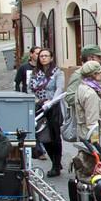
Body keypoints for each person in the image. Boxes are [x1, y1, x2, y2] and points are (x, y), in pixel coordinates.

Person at [30, 49, 66, 177]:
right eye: (41, 56)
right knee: (43, 137)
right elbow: (30, 89)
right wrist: (38, 101)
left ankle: (56, 165)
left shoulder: (57, 73)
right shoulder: (35, 73)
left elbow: (59, 88)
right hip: (40, 107)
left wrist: (52, 102)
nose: (43, 58)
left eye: (46, 56)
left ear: (51, 58)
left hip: (53, 107)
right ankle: (54, 161)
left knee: (55, 137)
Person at [64, 45, 101, 116]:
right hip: (86, 117)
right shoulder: (78, 75)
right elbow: (69, 98)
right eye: (99, 57)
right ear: (91, 58)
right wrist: (90, 96)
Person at [74, 61, 101, 142]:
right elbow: (93, 124)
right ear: (94, 74)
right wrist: (96, 143)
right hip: (90, 137)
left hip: (83, 133)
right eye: (100, 72)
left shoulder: (82, 87)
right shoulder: (90, 93)